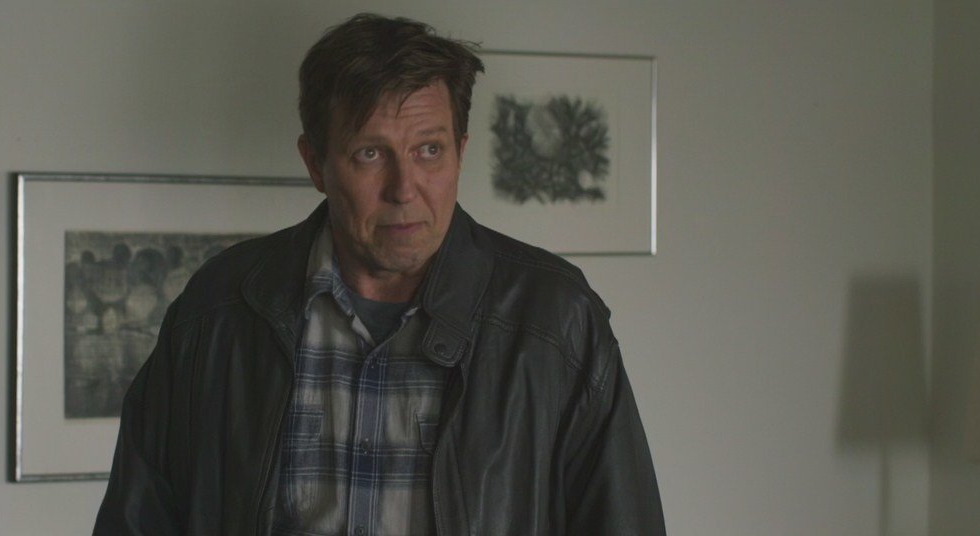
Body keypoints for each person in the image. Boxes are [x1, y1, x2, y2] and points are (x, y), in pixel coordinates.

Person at [94, 13, 664, 535]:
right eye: (370, 153)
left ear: (461, 152)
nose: (404, 189)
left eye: (429, 150)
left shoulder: (556, 320)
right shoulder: (218, 309)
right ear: (316, 163)